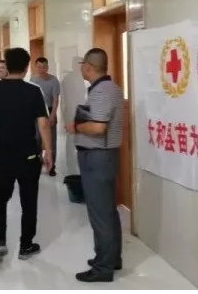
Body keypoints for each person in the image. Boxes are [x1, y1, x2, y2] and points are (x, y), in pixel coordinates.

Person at [0, 48, 52, 263]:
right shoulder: (34, 91)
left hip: (2, 153)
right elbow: (43, 123)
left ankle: (0, 241)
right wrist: (48, 151)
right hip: (28, 154)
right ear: (27, 67)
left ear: (7, 66)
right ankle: (26, 245)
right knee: (29, 201)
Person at [64, 48, 124, 283]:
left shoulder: (102, 91)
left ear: (88, 67)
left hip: (97, 157)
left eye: (82, 65)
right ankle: (112, 258)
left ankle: (103, 267)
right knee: (107, 210)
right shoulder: (110, 88)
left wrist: (75, 127)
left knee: (100, 213)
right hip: (104, 157)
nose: (81, 69)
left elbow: (98, 127)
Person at [30, 57, 61, 177]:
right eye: (39, 67)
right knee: (36, 139)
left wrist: (52, 115)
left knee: (51, 140)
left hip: (49, 110)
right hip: (36, 112)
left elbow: (55, 99)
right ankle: (38, 163)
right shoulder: (32, 80)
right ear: (35, 67)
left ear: (47, 67)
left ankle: (52, 166)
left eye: (44, 67)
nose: (42, 69)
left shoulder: (54, 80)